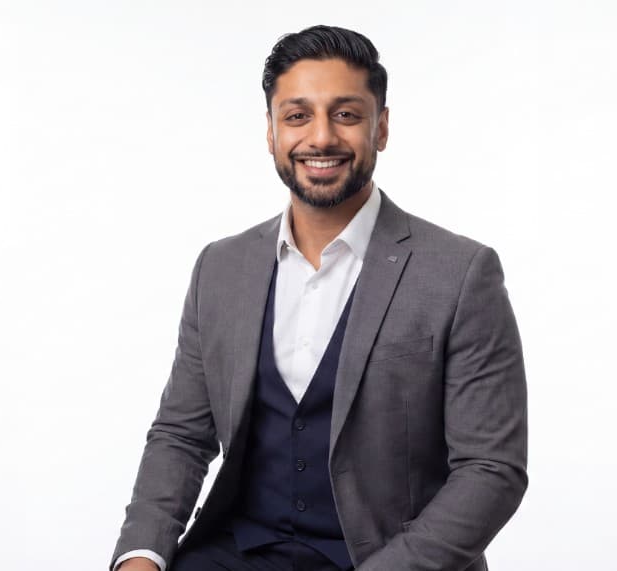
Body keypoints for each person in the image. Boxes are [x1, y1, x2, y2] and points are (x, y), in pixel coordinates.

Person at [111, 25, 527, 571]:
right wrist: (140, 557)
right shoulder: (221, 266)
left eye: (347, 114)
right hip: (235, 553)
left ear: (381, 128)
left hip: (384, 560)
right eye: (297, 115)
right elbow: (181, 435)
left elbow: (491, 470)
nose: (322, 137)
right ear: (271, 131)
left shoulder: (460, 272)